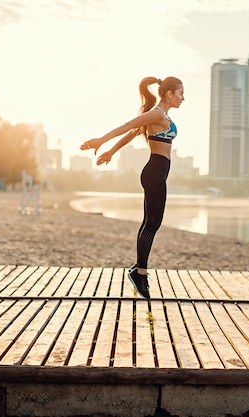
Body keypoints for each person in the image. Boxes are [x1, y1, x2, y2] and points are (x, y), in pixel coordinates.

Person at [80, 76, 184, 299]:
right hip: (155, 170)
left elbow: (133, 133)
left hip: (158, 171)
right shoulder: (157, 113)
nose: (183, 98)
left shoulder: (162, 116)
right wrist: (101, 140)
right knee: (153, 222)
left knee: (151, 222)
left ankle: (139, 271)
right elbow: (129, 125)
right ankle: (140, 272)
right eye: (180, 93)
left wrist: (111, 152)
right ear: (169, 94)